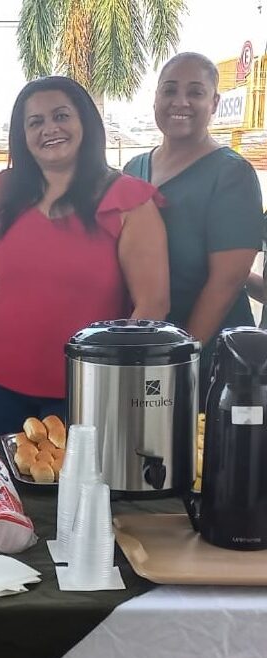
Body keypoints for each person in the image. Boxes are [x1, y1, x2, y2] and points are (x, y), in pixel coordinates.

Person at [0, 76, 170, 435]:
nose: (49, 129)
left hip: (87, 390)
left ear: (85, 122)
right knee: (12, 486)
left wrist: (113, 382)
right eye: (35, 122)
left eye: (61, 116)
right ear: (22, 135)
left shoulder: (128, 200)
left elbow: (152, 307)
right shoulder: (3, 192)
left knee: (80, 490)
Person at [125, 52, 264, 399]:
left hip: (208, 353)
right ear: (155, 97)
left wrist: (180, 358)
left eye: (196, 92)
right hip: (144, 343)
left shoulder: (232, 174)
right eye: (169, 90)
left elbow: (228, 280)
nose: (180, 102)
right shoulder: (133, 168)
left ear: (214, 102)